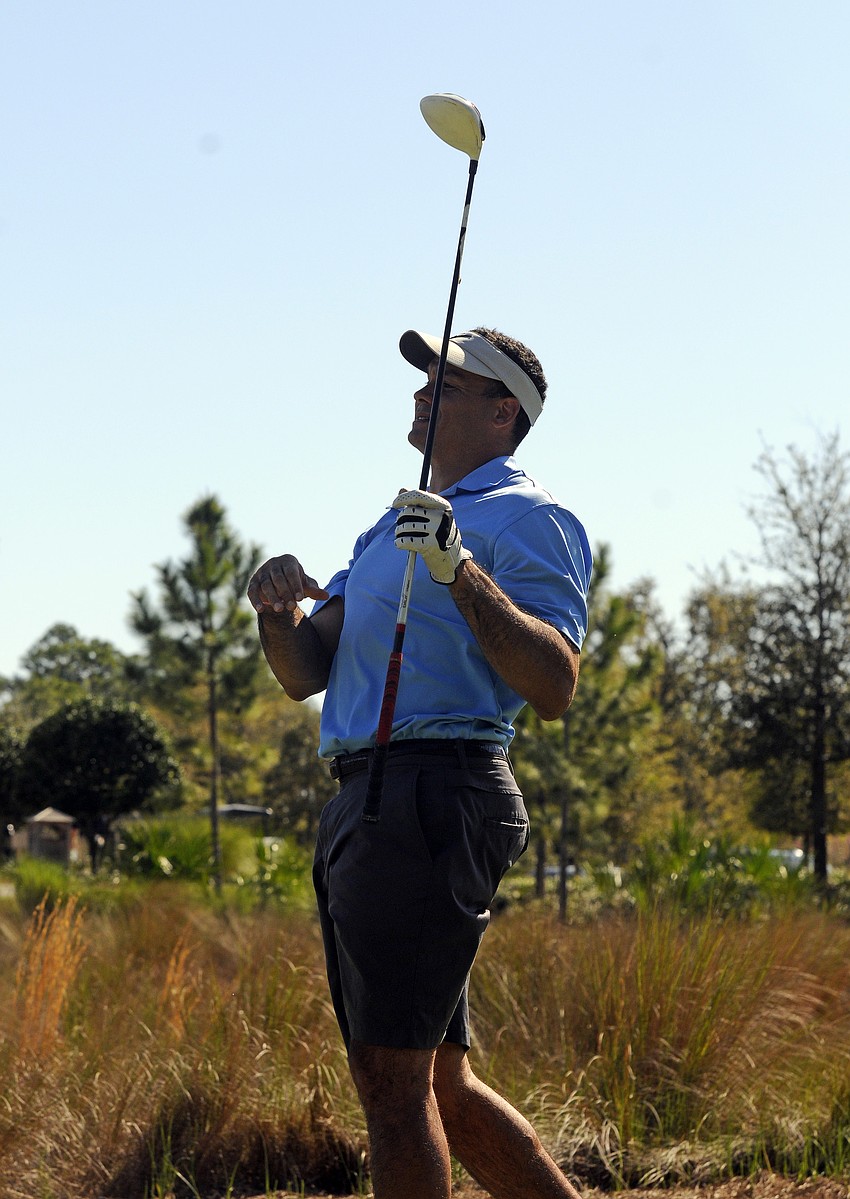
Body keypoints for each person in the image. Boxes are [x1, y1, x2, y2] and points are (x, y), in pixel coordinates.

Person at [248, 326, 592, 1199]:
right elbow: (306, 673)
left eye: (448, 379)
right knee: (438, 1081)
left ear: (502, 410)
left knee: (390, 1084)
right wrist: (276, 611)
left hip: (436, 791)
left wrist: (456, 565)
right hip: (369, 801)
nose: (423, 389)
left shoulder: (532, 516)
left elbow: (553, 681)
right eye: (425, 376)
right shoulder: (387, 522)